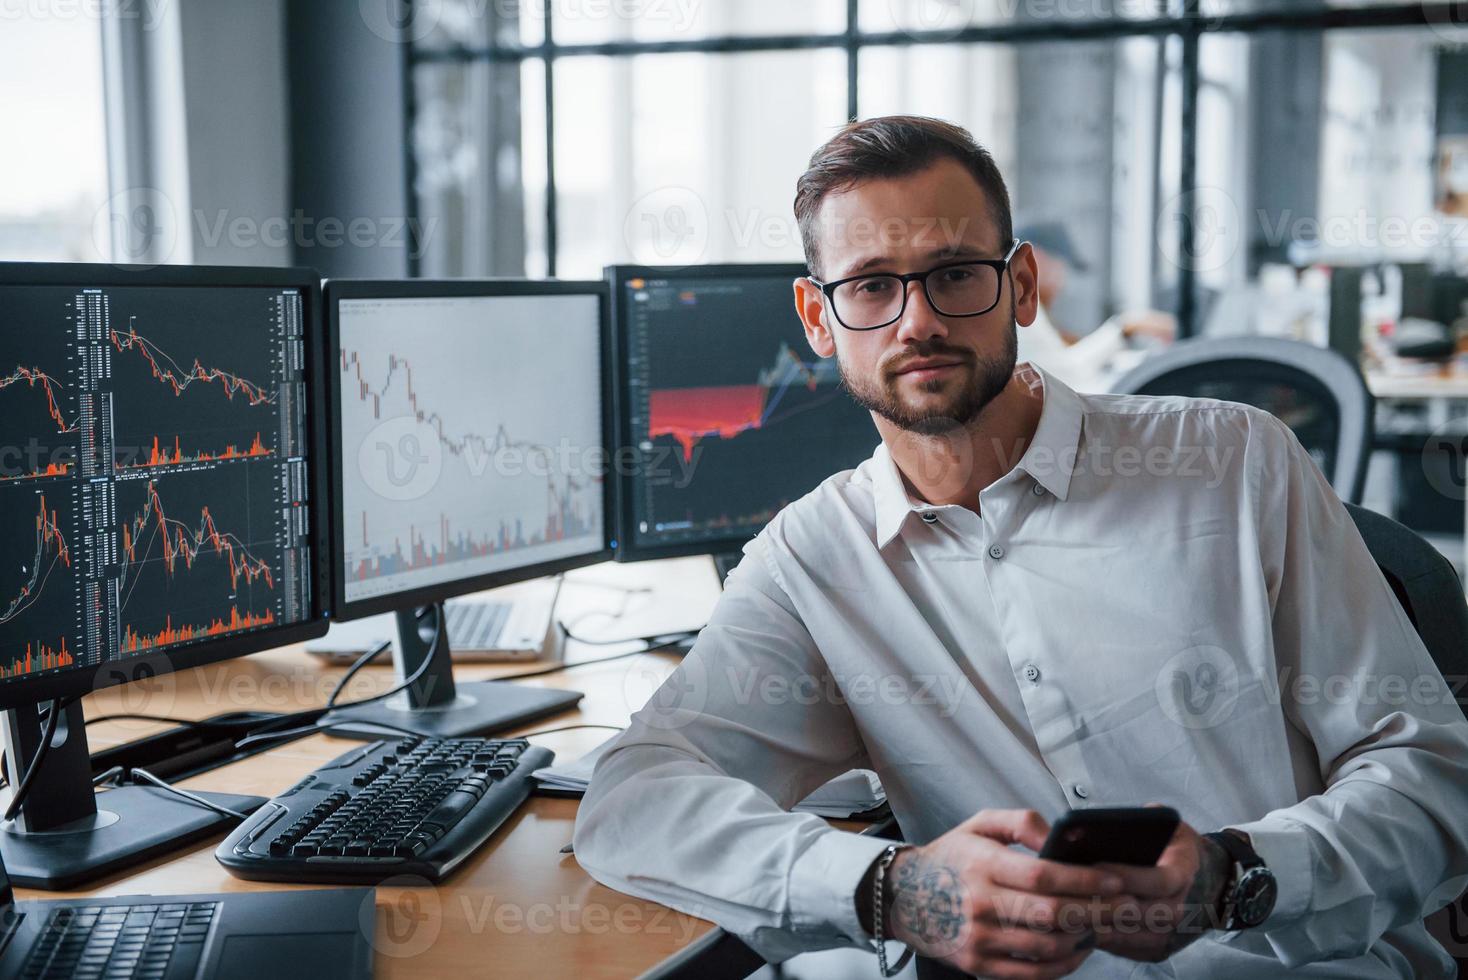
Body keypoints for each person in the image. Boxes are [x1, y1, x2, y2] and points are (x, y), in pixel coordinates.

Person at [574, 115, 1468, 978]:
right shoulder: (813, 561)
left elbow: (1433, 777)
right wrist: (890, 888)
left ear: (1024, 285)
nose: (916, 321)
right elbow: (634, 795)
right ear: (817, 318)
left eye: (955, 273)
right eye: (871, 285)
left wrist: (1234, 878)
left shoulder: (1236, 463)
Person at [1012, 221, 1176, 391]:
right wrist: (1126, 326)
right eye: (1062, 266)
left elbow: (1060, 365)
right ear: (1035, 259)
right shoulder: (1022, 313)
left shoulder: (1023, 305)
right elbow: (1067, 375)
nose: (1063, 281)